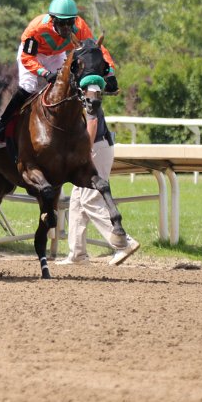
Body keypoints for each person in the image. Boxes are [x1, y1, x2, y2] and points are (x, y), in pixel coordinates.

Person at [0, 0, 117, 149]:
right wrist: (45, 73)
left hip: (56, 54)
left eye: (70, 22)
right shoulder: (36, 29)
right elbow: (27, 58)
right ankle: (2, 125)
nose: (67, 28)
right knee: (28, 86)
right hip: (33, 55)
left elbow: (96, 49)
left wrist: (110, 72)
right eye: (62, 23)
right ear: (52, 19)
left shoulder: (80, 26)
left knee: (68, 86)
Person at [57, 80, 141, 266]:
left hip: (95, 148)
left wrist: (84, 150)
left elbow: (92, 122)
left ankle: (124, 242)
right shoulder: (83, 87)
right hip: (96, 146)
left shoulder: (90, 89)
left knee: (89, 199)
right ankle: (77, 254)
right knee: (77, 201)